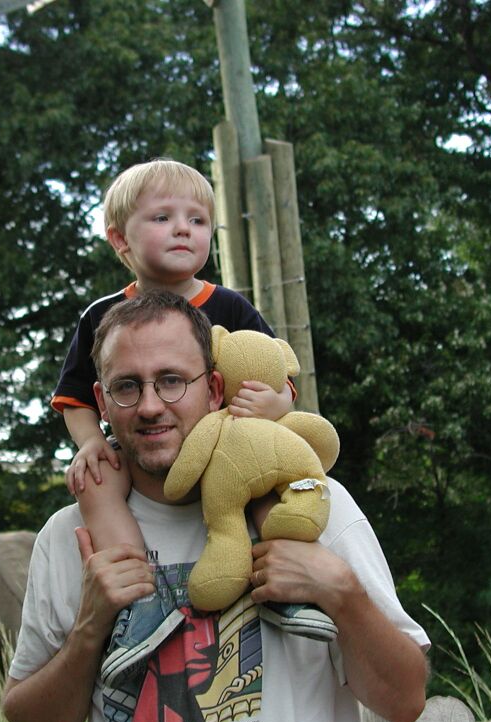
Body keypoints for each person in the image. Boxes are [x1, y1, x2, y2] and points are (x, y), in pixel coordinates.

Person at [2, 291, 429, 722]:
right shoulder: (68, 537)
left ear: (213, 389)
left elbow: (404, 703)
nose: (150, 405)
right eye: (127, 386)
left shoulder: (310, 502)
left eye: (172, 380)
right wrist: (89, 628)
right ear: (101, 401)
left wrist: (342, 592)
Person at [52, 159, 322, 668]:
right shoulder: (102, 317)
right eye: (163, 218)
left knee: (263, 478)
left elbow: (280, 373)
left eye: (197, 220)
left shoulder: (231, 307)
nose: (183, 229)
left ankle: (285, 586)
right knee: (94, 482)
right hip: (147, 448)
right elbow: (76, 398)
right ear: (120, 239)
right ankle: (140, 602)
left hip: (229, 444)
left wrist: (274, 403)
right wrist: (90, 442)